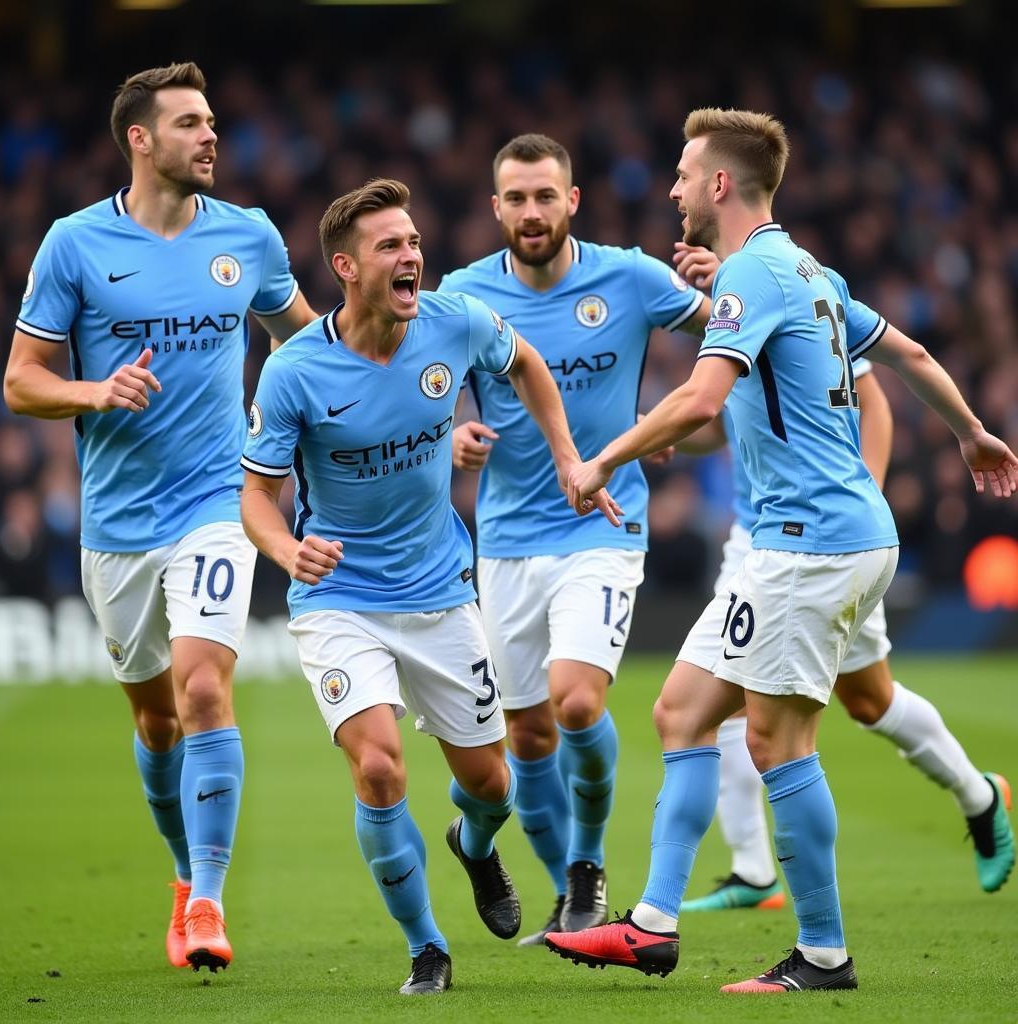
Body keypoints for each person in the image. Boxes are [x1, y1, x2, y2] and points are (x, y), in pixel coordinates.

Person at [546, 107, 1018, 994]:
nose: (675, 187)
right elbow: (909, 351)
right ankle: (651, 925)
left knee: (777, 741)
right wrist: (972, 432)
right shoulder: (805, 269)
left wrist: (602, 456)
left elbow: (699, 399)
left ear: (720, 184)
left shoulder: (755, 275)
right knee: (683, 710)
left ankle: (822, 956)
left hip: (810, 545)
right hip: (815, 541)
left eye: (686, 173)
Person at [238, 178, 619, 996]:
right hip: (340, 600)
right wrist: (285, 551)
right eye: (390, 246)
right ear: (345, 266)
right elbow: (256, 497)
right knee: (379, 769)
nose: (412, 255)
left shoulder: (452, 322)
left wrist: (563, 454)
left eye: (413, 242)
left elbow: (526, 363)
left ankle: (474, 847)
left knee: (493, 787)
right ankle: (426, 948)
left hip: (441, 593)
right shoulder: (295, 372)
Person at [3, 62, 316, 973]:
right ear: (139, 139)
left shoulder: (248, 237)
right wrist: (96, 391)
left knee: (204, 688)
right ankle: (185, 877)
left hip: (219, 501)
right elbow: (21, 382)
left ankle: (210, 904)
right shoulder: (74, 244)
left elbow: (299, 338)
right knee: (154, 722)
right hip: (118, 524)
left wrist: (317, 419)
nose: (211, 135)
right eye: (189, 123)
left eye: (212, 120)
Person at [669, 245, 1014, 911]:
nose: (677, 198)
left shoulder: (786, 287)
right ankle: (757, 870)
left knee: (834, 705)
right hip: (769, 535)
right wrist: (668, 436)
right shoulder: (736, 310)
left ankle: (803, 914)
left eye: (688, 177)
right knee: (802, 700)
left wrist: (868, 496)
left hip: (821, 537)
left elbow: (873, 401)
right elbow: (720, 420)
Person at [439, 133, 712, 945]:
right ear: (496, 208)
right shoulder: (461, 296)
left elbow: (729, 328)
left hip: (603, 524)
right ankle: (564, 887)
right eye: (516, 199)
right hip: (507, 542)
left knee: (578, 700)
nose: (531, 212)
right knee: (525, 735)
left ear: (573, 202)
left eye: (545, 197)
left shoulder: (628, 276)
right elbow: (423, 384)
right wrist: (455, 427)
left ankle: (588, 866)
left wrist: (671, 421)